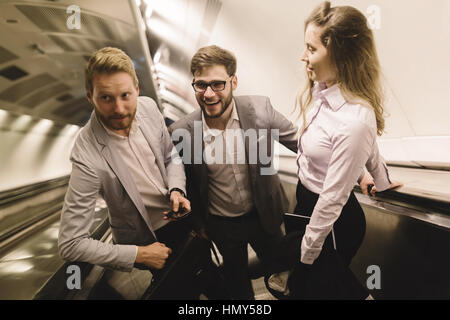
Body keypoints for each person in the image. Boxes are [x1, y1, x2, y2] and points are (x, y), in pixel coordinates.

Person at [287, 1, 403, 298]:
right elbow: (360, 149)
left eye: (311, 49)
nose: (303, 57)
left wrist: (307, 251)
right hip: (309, 208)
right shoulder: (323, 93)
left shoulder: (355, 119)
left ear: (339, 55)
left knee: (308, 288)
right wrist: (379, 179)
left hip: (332, 222)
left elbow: (333, 197)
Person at [58, 47, 194, 298]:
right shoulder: (86, 150)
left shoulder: (149, 108)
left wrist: (177, 188)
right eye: (106, 98)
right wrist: (139, 254)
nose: (119, 108)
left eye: (125, 95)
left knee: (205, 277)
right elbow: (71, 244)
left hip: (183, 217)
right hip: (150, 240)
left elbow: (169, 156)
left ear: (137, 89)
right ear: (90, 97)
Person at [169, 45, 298, 300]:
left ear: (234, 82)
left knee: (285, 278)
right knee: (237, 287)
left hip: (265, 217)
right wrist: (198, 223)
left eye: (218, 84)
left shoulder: (260, 109)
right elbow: (186, 180)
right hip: (222, 225)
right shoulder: (182, 131)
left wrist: (361, 171)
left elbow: (304, 143)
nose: (208, 94)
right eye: (201, 85)